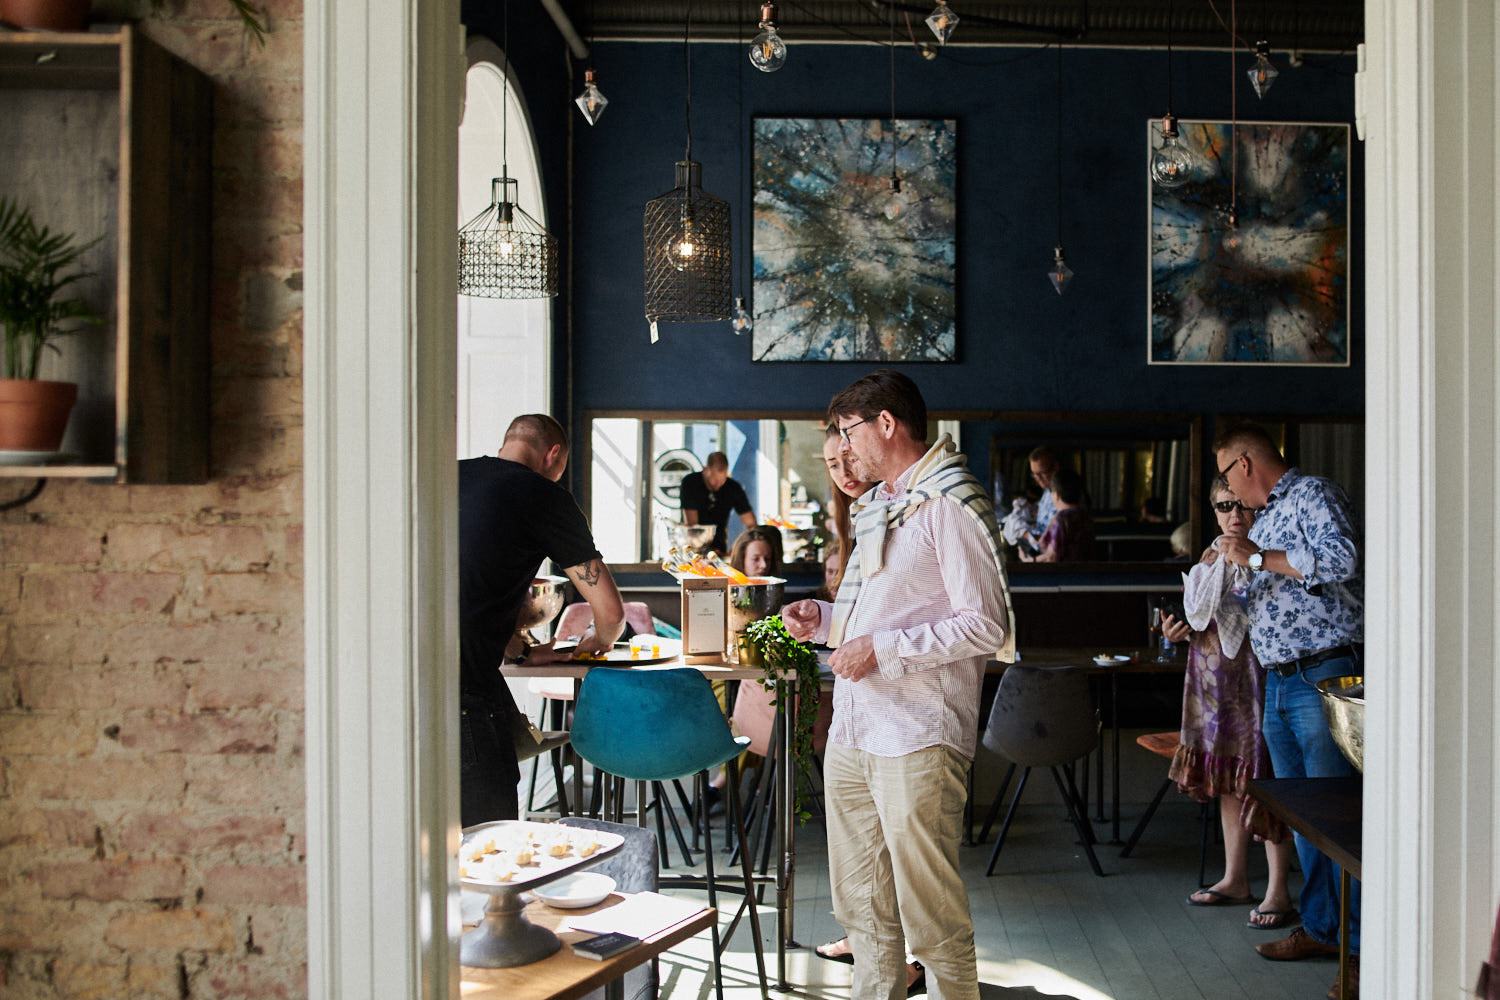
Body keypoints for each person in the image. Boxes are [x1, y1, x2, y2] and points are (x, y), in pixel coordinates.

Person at [783, 370, 1015, 1000]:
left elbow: (984, 624)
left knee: (928, 916)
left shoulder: (950, 501)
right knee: (861, 908)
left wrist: (879, 649)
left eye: (848, 432)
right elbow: (889, 612)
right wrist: (826, 619)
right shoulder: (884, 503)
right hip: (856, 728)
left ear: (886, 423)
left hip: (917, 731)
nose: (844, 449)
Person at [1214, 424, 1363, 1000]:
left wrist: (1258, 556)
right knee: (1305, 818)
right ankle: (1324, 928)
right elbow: (1266, 588)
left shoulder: (1313, 495)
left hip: (1323, 672)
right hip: (1277, 679)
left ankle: (1357, 951)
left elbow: (1344, 559)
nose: (1228, 491)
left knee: (1336, 815)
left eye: (1227, 476)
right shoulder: (1267, 516)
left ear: (1245, 463)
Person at [458, 414, 626, 827]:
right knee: (489, 852)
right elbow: (612, 614)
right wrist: (596, 640)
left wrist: (518, 651)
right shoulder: (542, 495)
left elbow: (467, 581)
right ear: (553, 455)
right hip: (462, 700)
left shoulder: (444, 475)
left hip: (392, 698)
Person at [1160, 479, 1297, 929]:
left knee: (1264, 777)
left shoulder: (1271, 556)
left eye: (1242, 505)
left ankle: (1279, 888)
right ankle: (1235, 876)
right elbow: (1201, 616)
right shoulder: (1207, 560)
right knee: (1225, 774)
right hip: (1211, 678)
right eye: (1224, 506)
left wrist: (1250, 560)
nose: (1234, 514)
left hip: (1256, 678)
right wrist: (1175, 632)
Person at [678, 451, 756, 554]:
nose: (718, 485)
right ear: (705, 470)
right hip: (692, 548)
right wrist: (702, 552)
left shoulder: (733, 488)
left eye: (722, 481)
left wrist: (737, 549)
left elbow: (752, 525)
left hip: (719, 549)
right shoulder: (691, 483)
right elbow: (692, 526)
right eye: (714, 480)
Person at [1018, 466, 1094, 562]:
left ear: (1056, 495)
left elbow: (1052, 557)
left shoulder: (1062, 519)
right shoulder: (1085, 515)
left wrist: (1028, 560)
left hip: (1065, 574)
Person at [999, 445, 1060, 554]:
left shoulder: (1064, 494)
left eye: (1042, 473)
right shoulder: (1047, 491)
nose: (1038, 479)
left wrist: (1025, 533)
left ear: (1055, 467)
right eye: (1034, 474)